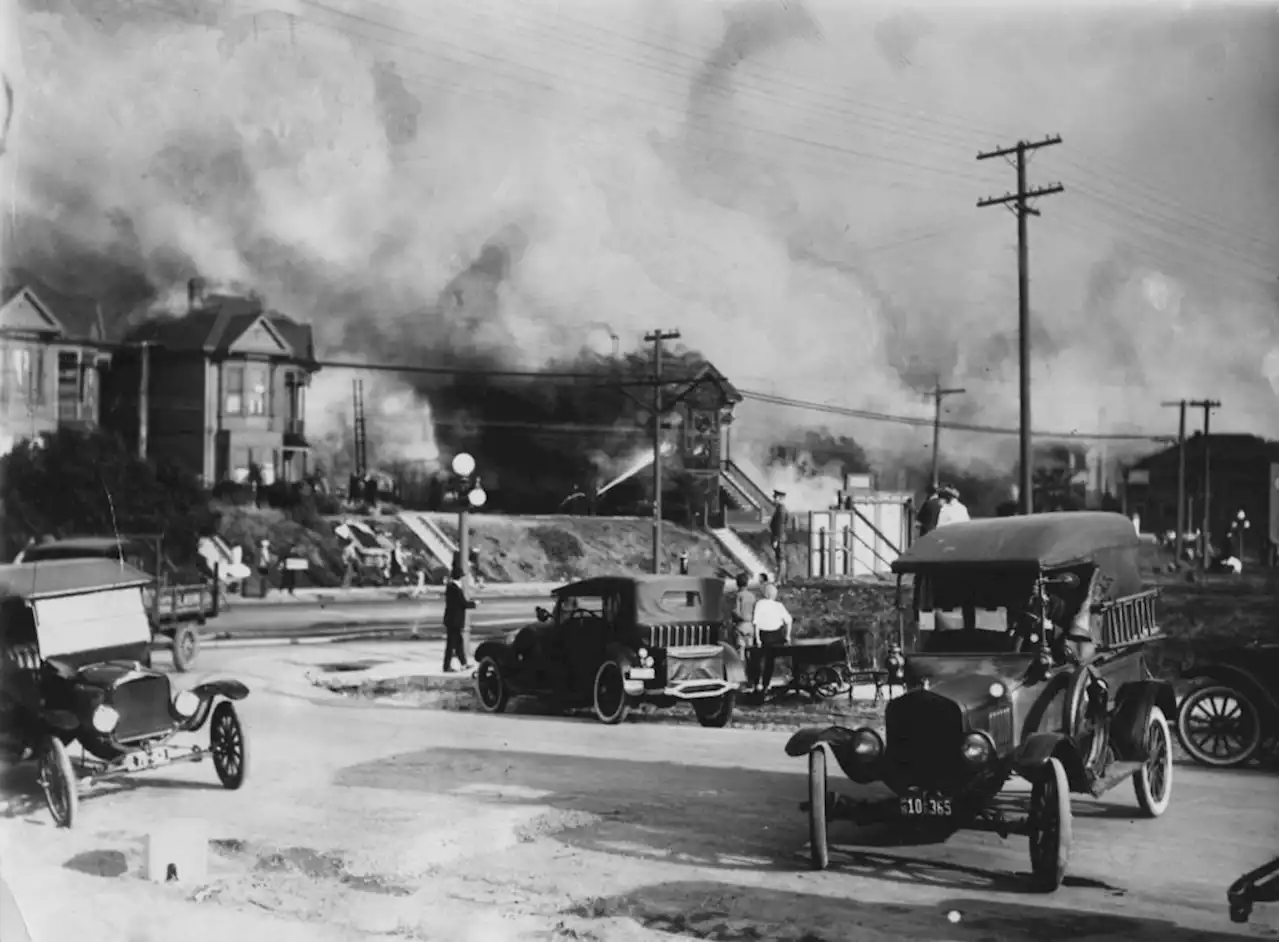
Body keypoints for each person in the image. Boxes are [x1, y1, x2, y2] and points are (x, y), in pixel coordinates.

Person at [751, 582, 793, 695]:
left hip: (763, 635)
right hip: (776, 636)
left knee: (757, 660)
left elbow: (756, 623)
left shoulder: (760, 603)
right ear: (774, 594)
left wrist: (757, 638)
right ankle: (765, 684)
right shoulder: (778, 606)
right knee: (770, 661)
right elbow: (789, 621)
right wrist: (787, 636)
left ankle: (757, 684)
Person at [442, 561, 477, 672]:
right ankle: (446, 666)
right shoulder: (455, 589)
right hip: (454, 621)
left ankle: (463, 663)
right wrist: (474, 603)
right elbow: (463, 604)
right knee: (451, 645)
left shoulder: (450, 587)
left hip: (452, 620)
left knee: (458, 644)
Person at [730, 573, 757, 660]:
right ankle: (751, 671)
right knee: (750, 651)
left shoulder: (738, 596)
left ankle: (741, 671)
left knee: (740, 652)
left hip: (740, 625)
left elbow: (736, 611)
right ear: (747, 583)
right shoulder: (752, 596)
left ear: (737, 583)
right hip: (750, 626)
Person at [769, 490, 788, 582]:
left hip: (779, 538)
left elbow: (779, 526)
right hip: (780, 537)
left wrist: (776, 539)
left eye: (775, 497)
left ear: (780, 498)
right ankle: (782, 579)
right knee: (780, 558)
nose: (774, 499)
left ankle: (779, 580)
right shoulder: (780, 509)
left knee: (780, 559)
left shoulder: (781, 510)